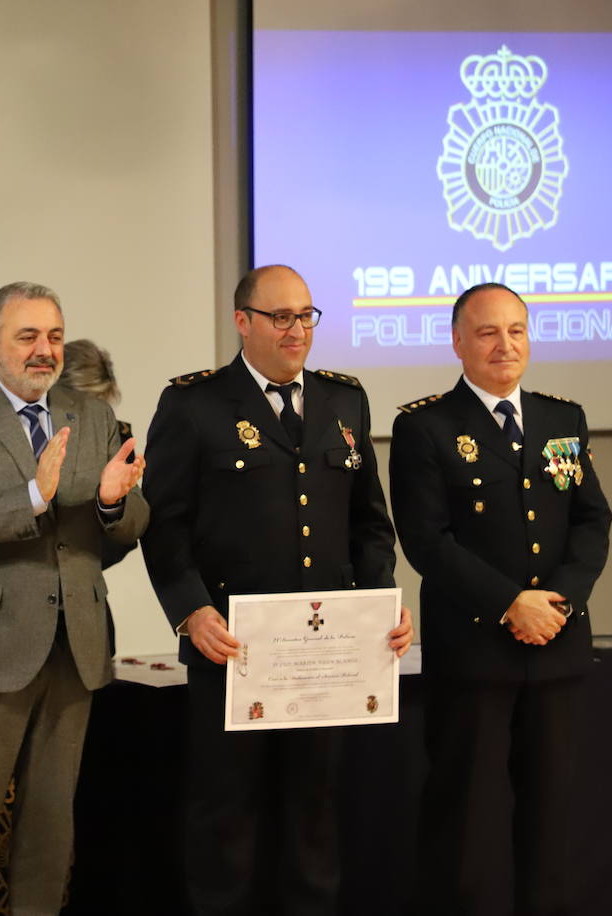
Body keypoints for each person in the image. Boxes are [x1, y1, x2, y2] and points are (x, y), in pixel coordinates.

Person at [141, 264, 411, 916]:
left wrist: (383, 602)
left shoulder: (344, 400)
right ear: (243, 321)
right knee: (224, 821)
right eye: (281, 317)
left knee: (315, 816)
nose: (297, 331)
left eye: (306, 316)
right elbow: (162, 523)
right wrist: (190, 611)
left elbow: (369, 523)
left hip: (327, 650)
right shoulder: (195, 404)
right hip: (232, 650)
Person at [0, 282, 148, 916]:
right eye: (28, 337)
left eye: (53, 335)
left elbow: (132, 525)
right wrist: (33, 495)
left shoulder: (93, 416)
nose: (44, 350)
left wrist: (110, 502)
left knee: (52, 822)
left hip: (74, 643)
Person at [390, 282, 611, 916]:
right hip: (476, 657)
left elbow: (592, 521)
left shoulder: (561, 419)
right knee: (466, 829)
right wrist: (512, 603)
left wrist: (558, 602)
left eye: (516, 330)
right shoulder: (425, 426)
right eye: (487, 332)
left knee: (549, 828)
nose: (503, 344)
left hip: (556, 654)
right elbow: (427, 541)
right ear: (458, 342)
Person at [59, 338, 135, 655]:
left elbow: (126, 538)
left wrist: (110, 506)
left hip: (84, 616)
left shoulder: (117, 440)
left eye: (101, 407)